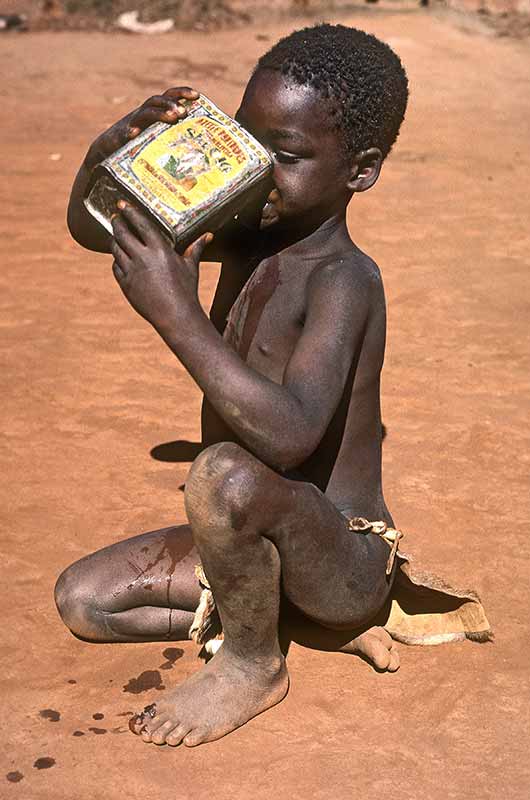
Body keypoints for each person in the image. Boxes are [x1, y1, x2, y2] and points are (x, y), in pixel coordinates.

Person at [55, 24, 485, 749]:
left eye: (284, 157)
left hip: (339, 556)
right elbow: (102, 229)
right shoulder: (244, 225)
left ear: (360, 169)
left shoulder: (343, 278)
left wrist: (178, 317)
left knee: (222, 473)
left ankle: (255, 664)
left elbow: (288, 437)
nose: (258, 171)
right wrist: (109, 154)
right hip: (253, 539)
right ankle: (281, 618)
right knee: (85, 603)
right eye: (246, 144)